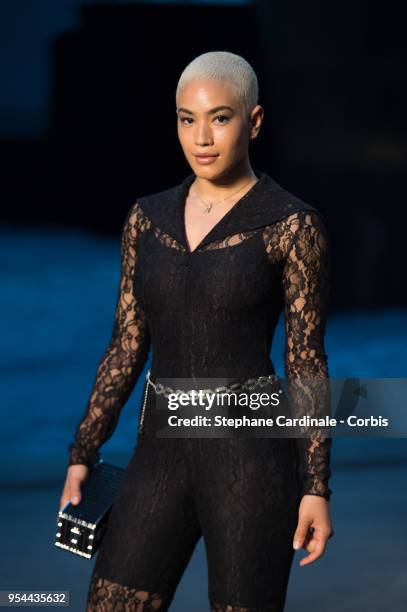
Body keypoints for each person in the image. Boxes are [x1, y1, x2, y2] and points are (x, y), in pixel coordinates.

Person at [59, 50, 334, 611]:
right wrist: (83, 450)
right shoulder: (147, 218)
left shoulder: (292, 224)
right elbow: (126, 344)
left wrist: (315, 487)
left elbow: (305, 362)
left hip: (252, 461)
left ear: (254, 121)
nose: (202, 137)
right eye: (188, 119)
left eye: (220, 117)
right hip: (158, 454)